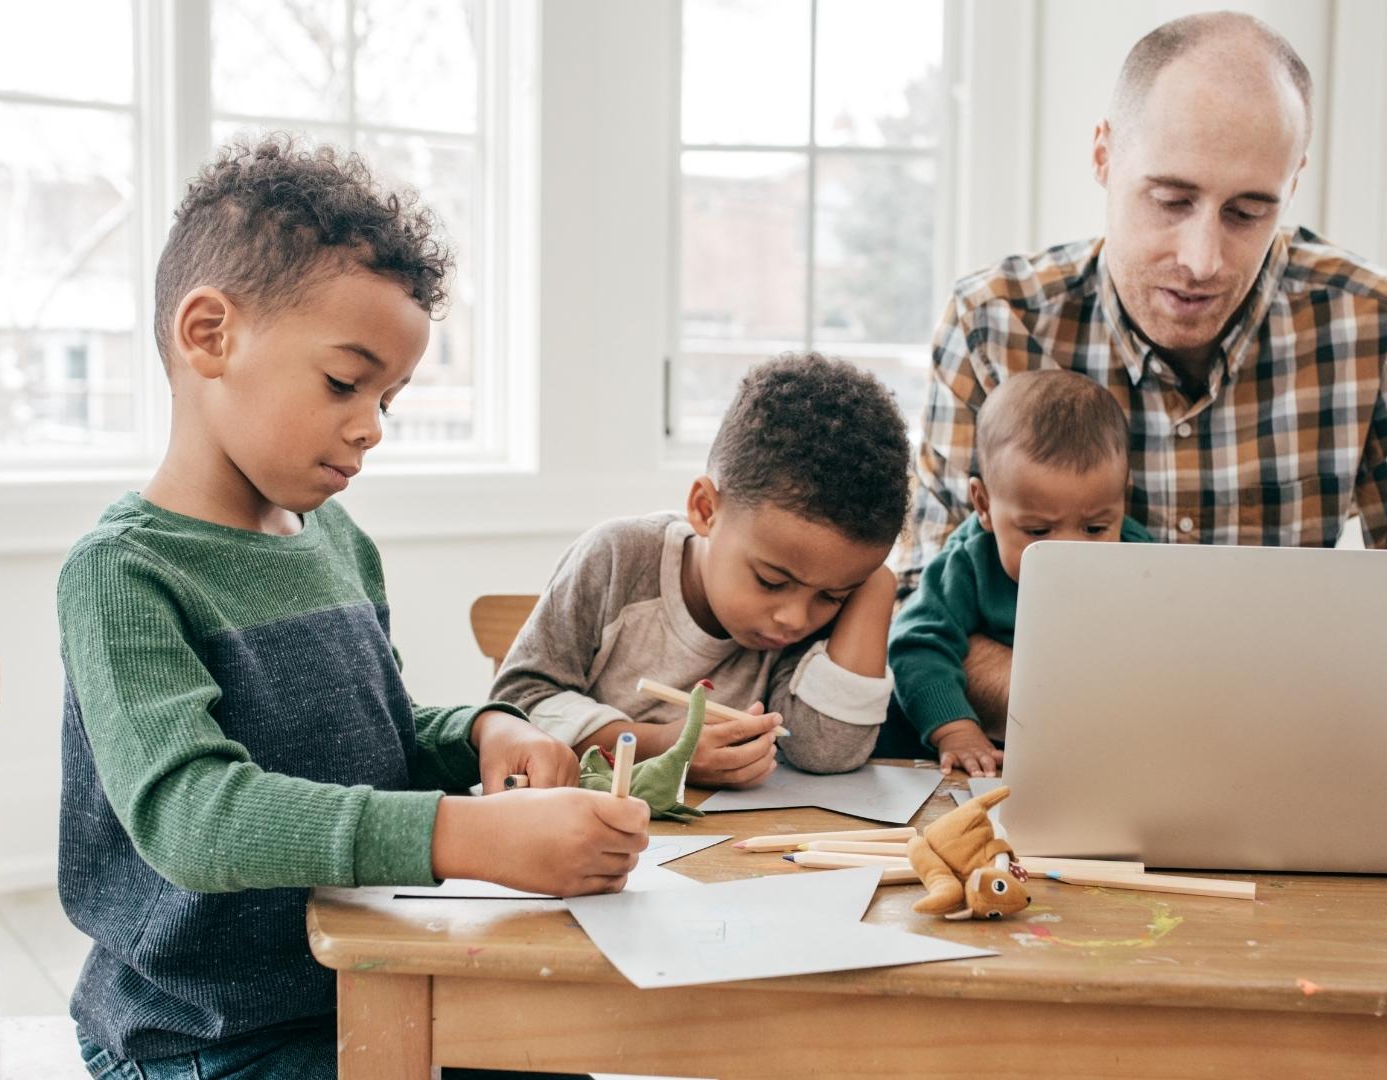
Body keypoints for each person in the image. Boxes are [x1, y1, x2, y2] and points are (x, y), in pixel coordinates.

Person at [57, 135, 645, 1079]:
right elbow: (193, 815)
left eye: (390, 396)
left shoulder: (334, 542)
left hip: (367, 974)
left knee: (561, 1058)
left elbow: (374, 734)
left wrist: (487, 734)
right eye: (344, 381)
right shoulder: (125, 573)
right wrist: (466, 836)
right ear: (210, 335)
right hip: (202, 1038)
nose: (372, 424)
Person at [894, 12, 1387, 729]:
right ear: (1103, 155)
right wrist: (1132, 710)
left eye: (1248, 212)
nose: (1203, 260)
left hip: (1285, 759)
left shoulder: (1383, 332)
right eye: (1172, 200)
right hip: (1041, 771)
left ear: (1294, 182)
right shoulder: (992, 323)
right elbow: (922, 607)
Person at [493, 352, 909, 786]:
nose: (795, 618)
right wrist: (660, 746)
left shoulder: (817, 600)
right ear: (705, 509)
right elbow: (516, 705)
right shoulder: (619, 558)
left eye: (832, 596)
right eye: (771, 581)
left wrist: (876, 584)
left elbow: (824, 749)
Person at [888, 370, 1153, 776]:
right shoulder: (968, 561)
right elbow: (916, 644)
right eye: (1038, 531)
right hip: (988, 751)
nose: (1070, 552)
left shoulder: (1143, 559)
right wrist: (955, 730)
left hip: (1104, 756)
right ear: (984, 505)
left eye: (1096, 529)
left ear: (1122, 500)